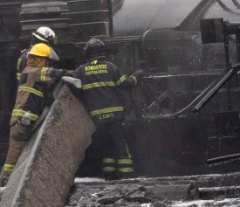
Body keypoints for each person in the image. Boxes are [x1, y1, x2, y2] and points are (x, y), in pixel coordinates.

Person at [3, 44, 74, 187]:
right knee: (16, 151)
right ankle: (6, 182)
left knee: (17, 150)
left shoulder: (29, 71)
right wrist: (71, 72)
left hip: (22, 119)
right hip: (22, 120)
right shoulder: (35, 71)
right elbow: (54, 73)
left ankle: (6, 181)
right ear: (42, 59)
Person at [74, 38, 138, 180]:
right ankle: (127, 176)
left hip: (97, 118)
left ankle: (109, 175)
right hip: (115, 116)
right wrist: (136, 76)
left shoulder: (81, 71)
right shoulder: (110, 67)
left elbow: (76, 89)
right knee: (121, 146)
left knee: (107, 147)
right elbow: (126, 85)